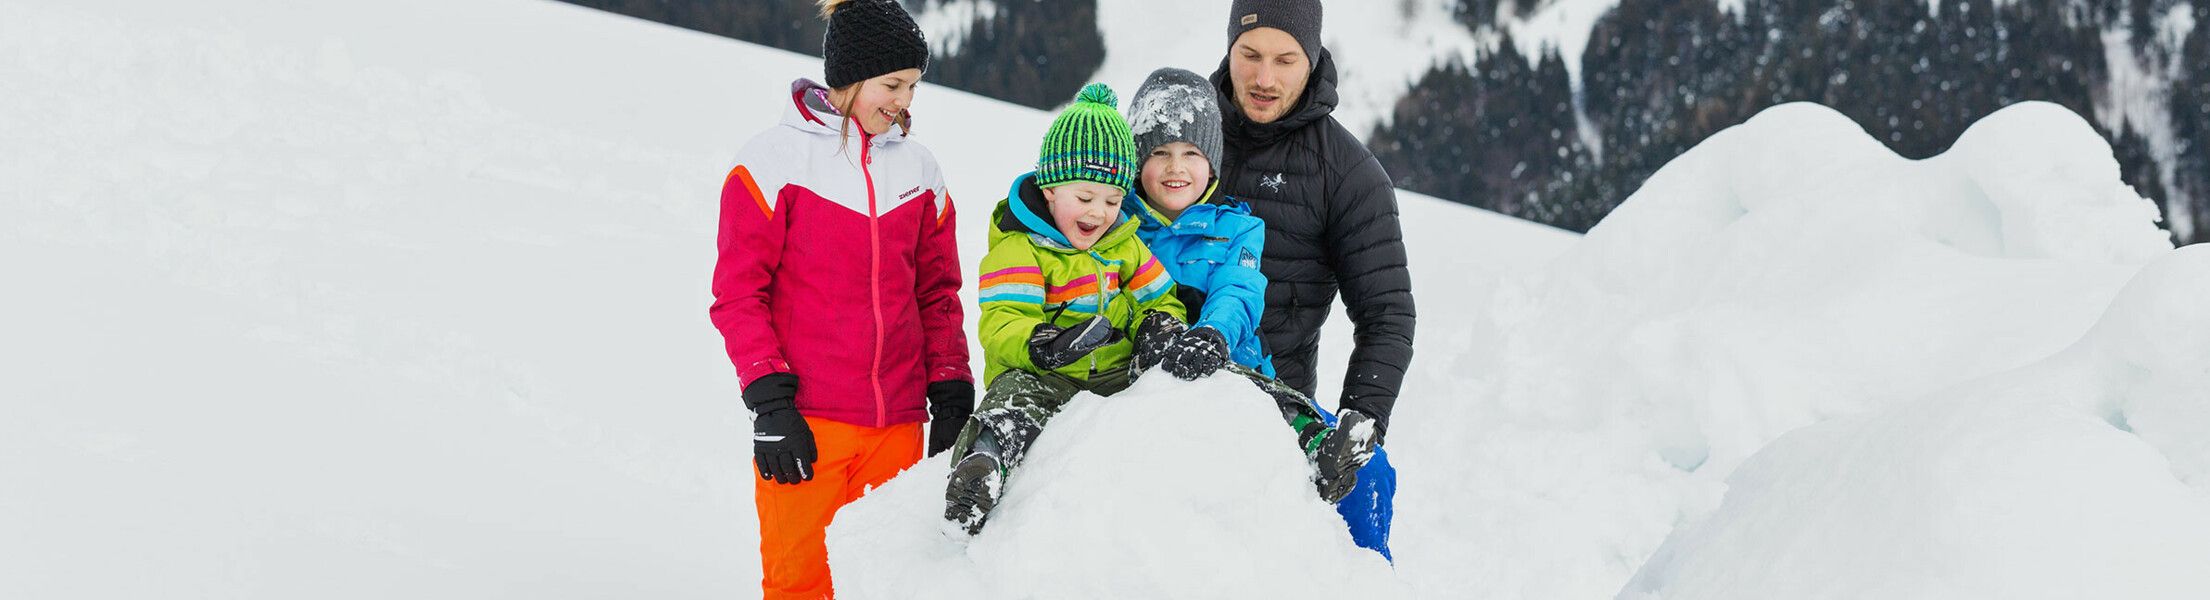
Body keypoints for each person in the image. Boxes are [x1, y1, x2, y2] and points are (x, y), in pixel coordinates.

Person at [710, 0, 973, 596]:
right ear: (851, 76)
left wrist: (951, 386)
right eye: (893, 84)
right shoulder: (772, 163)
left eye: (912, 86)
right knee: (800, 583)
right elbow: (737, 294)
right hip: (808, 424)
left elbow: (937, 294)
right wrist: (769, 403)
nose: (905, 101)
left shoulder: (920, 170)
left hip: (898, 426)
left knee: (886, 583)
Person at [1122, 67, 1395, 558]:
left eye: (1191, 154)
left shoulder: (1239, 229)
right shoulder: (1120, 228)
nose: (1174, 167)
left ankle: (1324, 462)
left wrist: (1214, 333)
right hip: (1147, 380)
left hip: (1238, 367)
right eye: (1159, 153)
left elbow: (1239, 290)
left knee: (1275, 405)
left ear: (1213, 164)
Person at [941, 83, 1202, 535]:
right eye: (1084, 198)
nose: (1099, 213)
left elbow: (1159, 297)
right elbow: (1004, 320)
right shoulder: (1021, 248)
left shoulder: (1126, 244)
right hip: (1045, 377)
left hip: (1116, 377)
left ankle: (1303, 429)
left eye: (1113, 201)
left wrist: (1161, 325)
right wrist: (1040, 345)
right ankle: (983, 468)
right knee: (1013, 401)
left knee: (1203, 366)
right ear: (1049, 190)